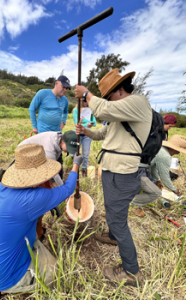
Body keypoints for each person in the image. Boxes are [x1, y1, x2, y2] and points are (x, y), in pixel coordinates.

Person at [75, 68, 152, 286]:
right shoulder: (120, 113)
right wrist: (87, 132)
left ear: (118, 91)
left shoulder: (138, 103)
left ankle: (131, 272)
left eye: (108, 96)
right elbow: (104, 133)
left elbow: (104, 110)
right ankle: (113, 236)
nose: (107, 100)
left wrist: (87, 94)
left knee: (118, 221)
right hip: (112, 170)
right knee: (112, 208)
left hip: (123, 173)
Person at [0, 144, 83, 294]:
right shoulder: (32, 199)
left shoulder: (4, 187)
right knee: (57, 273)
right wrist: (76, 164)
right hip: (9, 277)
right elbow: (67, 189)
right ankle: (11, 290)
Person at [29, 75, 71, 180]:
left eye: (67, 88)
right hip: (43, 134)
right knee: (42, 159)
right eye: (63, 87)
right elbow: (32, 109)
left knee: (58, 159)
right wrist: (35, 126)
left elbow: (65, 112)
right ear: (56, 83)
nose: (65, 90)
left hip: (57, 134)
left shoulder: (64, 100)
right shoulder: (42, 93)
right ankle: (42, 181)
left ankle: (58, 181)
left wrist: (64, 121)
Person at [73, 99, 96, 177]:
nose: (86, 103)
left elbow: (94, 123)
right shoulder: (76, 110)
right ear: (81, 102)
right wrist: (81, 122)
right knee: (75, 153)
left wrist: (91, 124)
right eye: (84, 101)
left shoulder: (90, 111)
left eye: (87, 101)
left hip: (87, 134)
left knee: (85, 154)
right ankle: (75, 169)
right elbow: (76, 123)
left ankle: (84, 170)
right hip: (78, 134)